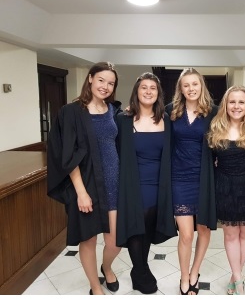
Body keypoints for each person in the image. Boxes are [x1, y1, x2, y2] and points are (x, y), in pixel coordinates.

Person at [47, 62, 122, 295]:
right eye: (101, 80)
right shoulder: (71, 112)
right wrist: (81, 192)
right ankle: (94, 286)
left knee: (115, 241)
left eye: (111, 83)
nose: (105, 86)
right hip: (87, 183)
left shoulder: (113, 110)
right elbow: (68, 155)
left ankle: (106, 267)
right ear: (90, 79)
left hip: (114, 183)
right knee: (88, 240)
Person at [115, 72, 178, 294]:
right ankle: (141, 270)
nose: (148, 91)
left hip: (158, 184)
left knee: (149, 225)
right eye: (144, 87)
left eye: (153, 88)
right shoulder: (123, 120)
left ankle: (138, 270)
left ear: (158, 94)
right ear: (137, 91)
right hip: (132, 183)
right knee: (136, 225)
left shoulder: (167, 120)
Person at [207, 85, 245, 295]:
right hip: (225, 186)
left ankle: (235, 274)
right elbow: (209, 161)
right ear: (226, 104)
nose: (236, 106)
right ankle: (239, 279)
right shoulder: (215, 128)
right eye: (232, 101)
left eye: (241, 102)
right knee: (231, 235)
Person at [165, 68, 218, 295]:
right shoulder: (170, 111)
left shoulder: (214, 112)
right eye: (186, 85)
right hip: (179, 178)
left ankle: (195, 271)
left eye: (194, 84)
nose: (191, 89)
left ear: (201, 86)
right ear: (181, 88)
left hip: (205, 178)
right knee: (186, 234)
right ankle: (184, 275)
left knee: (203, 229)